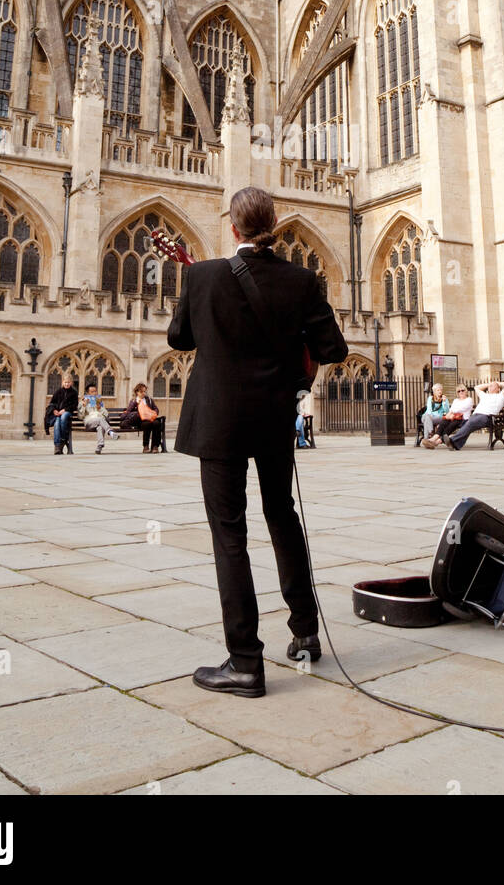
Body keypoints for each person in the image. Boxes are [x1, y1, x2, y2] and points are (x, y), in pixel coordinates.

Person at [168, 185, 348, 698]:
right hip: (272, 417)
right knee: (282, 517)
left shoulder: (202, 276)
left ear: (233, 228)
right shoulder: (302, 279)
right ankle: (306, 631)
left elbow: (179, 339)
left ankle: (245, 662)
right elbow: (334, 347)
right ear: (274, 226)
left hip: (218, 420)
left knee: (230, 537)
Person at [444, 378, 504, 451]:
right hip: (476, 416)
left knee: (470, 423)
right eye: (489, 386)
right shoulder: (484, 395)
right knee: (469, 425)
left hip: (487, 417)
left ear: (498, 389)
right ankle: (456, 445)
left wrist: (497, 383)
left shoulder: (500, 396)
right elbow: (476, 387)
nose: (490, 387)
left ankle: (452, 440)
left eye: (492, 386)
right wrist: (489, 384)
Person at [120, 383, 165, 453]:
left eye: (144, 391)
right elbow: (128, 411)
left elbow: (156, 409)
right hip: (141, 421)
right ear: (137, 392)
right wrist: (135, 403)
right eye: (141, 392)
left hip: (150, 418)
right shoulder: (134, 401)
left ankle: (155, 446)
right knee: (147, 424)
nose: (143, 393)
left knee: (157, 423)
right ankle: (146, 446)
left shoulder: (149, 400)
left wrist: (153, 413)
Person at [79, 384, 116, 454]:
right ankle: (110, 432)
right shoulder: (82, 402)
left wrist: (100, 408)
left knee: (100, 427)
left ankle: (99, 446)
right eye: (92, 392)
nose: (94, 393)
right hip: (89, 422)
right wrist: (84, 406)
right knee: (100, 420)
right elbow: (80, 416)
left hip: (99, 421)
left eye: (95, 391)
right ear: (87, 393)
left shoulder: (99, 402)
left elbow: (106, 414)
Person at [48, 372, 77, 455]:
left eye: (68, 382)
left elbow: (74, 405)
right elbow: (52, 403)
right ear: (62, 382)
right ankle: (57, 446)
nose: (67, 384)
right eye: (65, 382)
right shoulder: (58, 391)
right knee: (57, 423)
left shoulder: (74, 392)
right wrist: (54, 410)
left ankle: (63, 439)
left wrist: (65, 410)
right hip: (57, 414)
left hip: (68, 413)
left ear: (71, 383)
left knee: (64, 417)